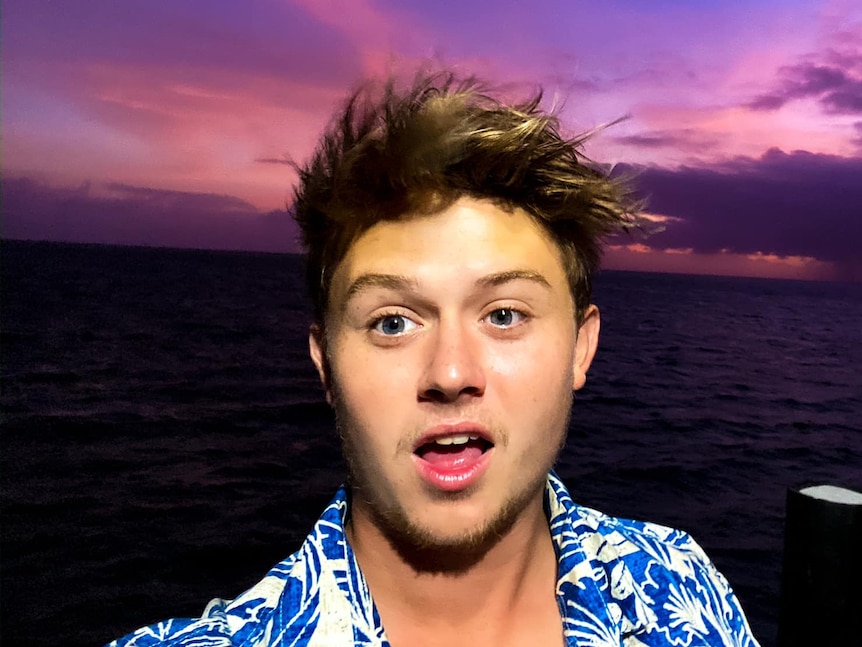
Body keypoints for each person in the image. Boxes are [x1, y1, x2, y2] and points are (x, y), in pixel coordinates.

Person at [109, 71, 760, 647]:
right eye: (392, 322)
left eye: (504, 314)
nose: (450, 373)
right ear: (326, 364)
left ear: (580, 347)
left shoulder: (679, 582)